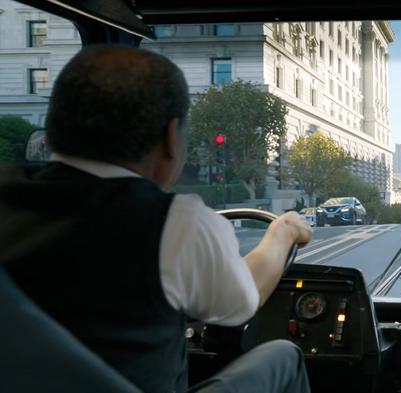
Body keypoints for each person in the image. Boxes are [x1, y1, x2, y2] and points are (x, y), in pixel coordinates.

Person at [0, 46, 313, 393]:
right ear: (170, 136)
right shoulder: (176, 222)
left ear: (53, 126)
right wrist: (282, 232)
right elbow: (244, 299)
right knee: (285, 356)